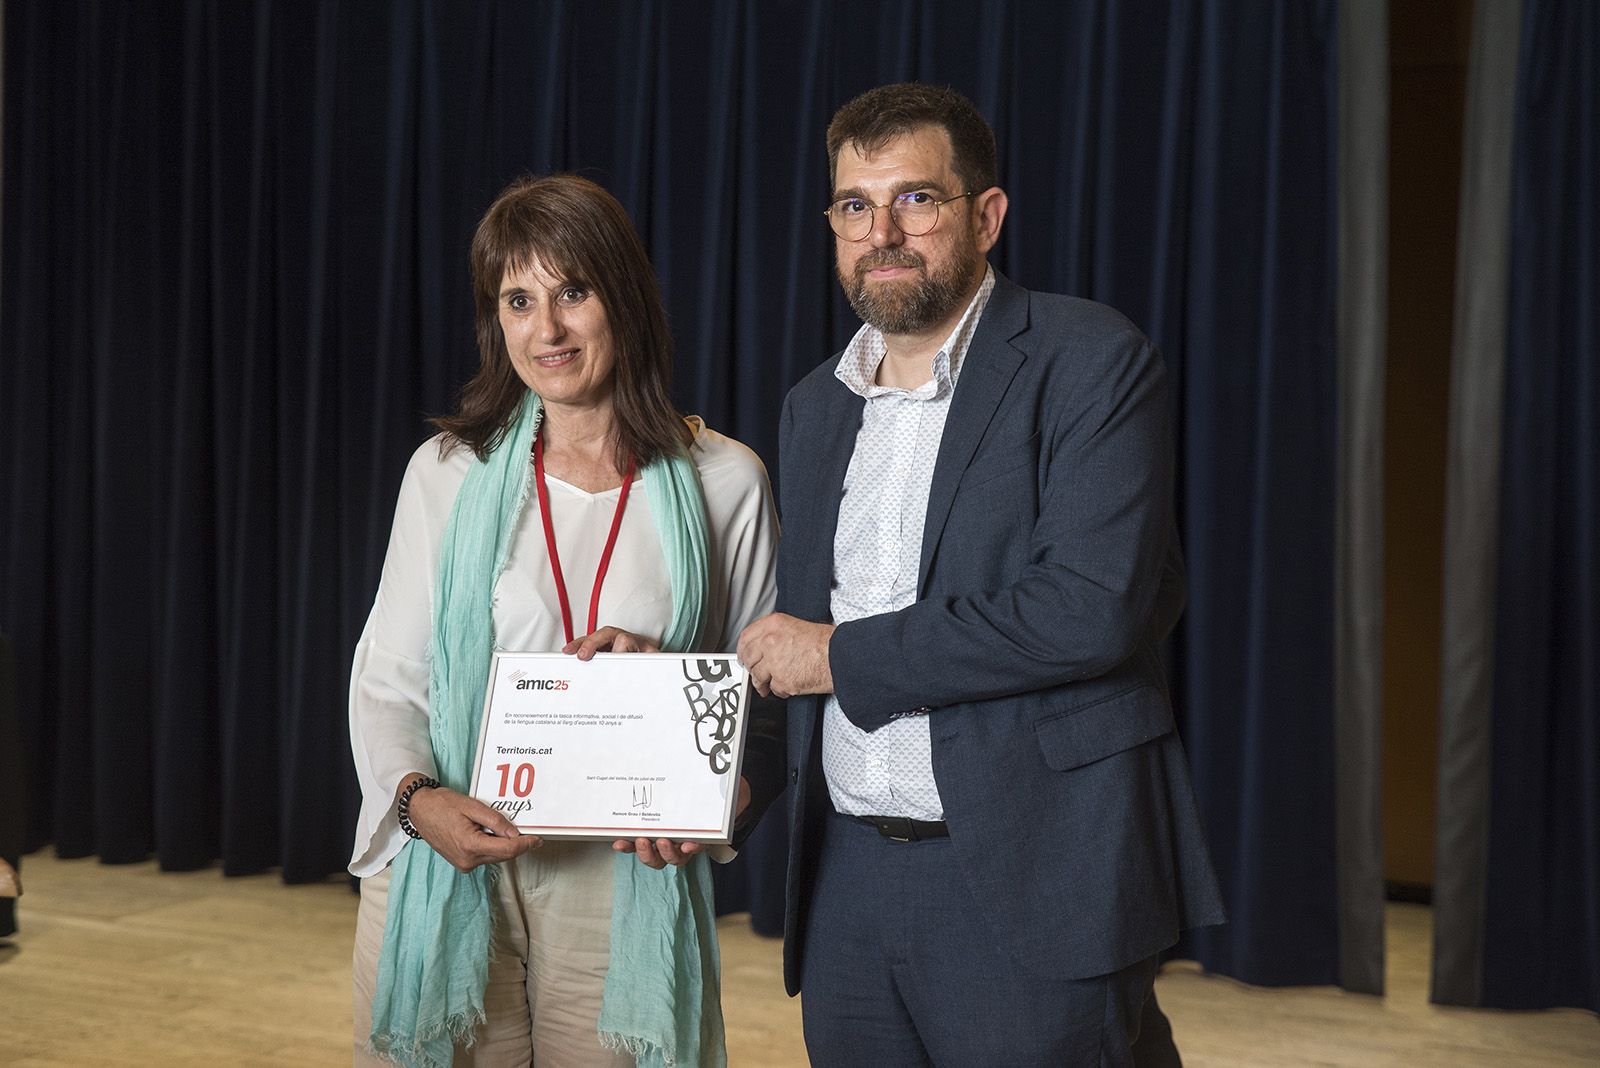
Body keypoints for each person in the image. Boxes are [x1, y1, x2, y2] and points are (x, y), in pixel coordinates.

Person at [736, 83, 1225, 1066]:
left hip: (1028, 873)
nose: (882, 233)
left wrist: (840, 659)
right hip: (847, 888)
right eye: (853, 207)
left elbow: (1090, 610)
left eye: (915, 200)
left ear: (985, 215)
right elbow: (795, 640)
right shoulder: (812, 408)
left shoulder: (1088, 360)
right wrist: (718, 778)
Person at [348, 174, 778, 1068]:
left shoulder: (726, 478)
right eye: (518, 300)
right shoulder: (446, 472)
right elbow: (389, 679)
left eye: (573, 292)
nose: (546, 330)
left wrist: (690, 743)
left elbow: (757, 698)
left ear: (624, 298)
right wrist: (418, 802)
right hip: (452, 848)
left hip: (622, 874)